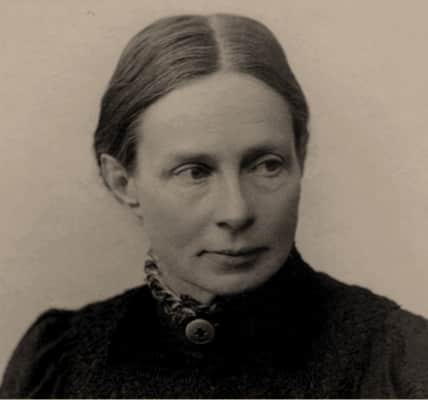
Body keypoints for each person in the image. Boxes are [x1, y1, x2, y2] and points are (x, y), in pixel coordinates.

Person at [1, 13, 427, 398]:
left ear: (300, 155)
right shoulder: (60, 364)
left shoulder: (396, 359)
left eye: (267, 165)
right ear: (123, 181)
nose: (236, 212)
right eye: (195, 172)